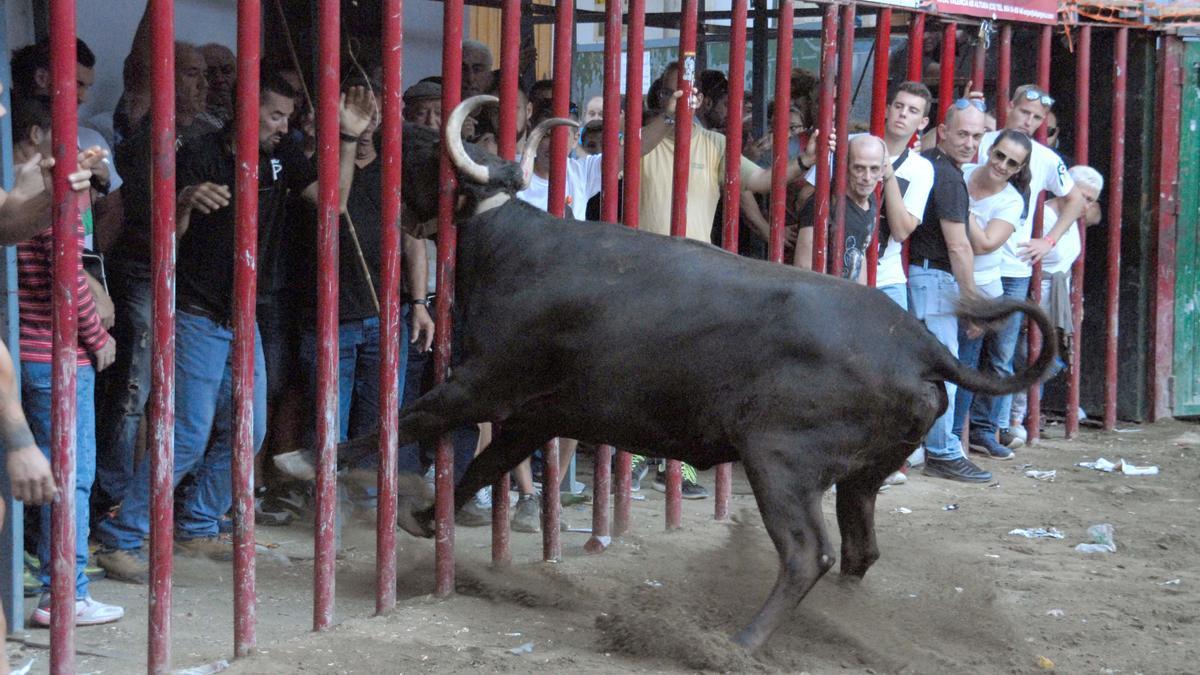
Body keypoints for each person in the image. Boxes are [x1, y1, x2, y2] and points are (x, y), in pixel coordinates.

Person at [94, 78, 375, 583]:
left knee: (253, 429)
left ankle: (198, 523)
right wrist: (183, 200)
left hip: (242, 315)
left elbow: (333, 204)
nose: (283, 126)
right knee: (187, 435)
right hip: (198, 311)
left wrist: (348, 137)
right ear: (246, 112)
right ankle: (123, 536)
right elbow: (163, 240)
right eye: (274, 116)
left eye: (287, 117)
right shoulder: (199, 154)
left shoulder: (282, 153)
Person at [633, 64, 814, 497]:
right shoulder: (643, 140)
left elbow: (761, 181)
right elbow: (626, 156)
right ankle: (634, 458)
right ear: (661, 96)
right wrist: (668, 118)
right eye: (676, 92)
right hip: (641, 276)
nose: (685, 100)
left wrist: (805, 158)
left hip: (695, 277)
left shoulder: (715, 143)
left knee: (686, 374)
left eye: (691, 94)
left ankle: (678, 468)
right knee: (639, 370)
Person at [93, 39, 221, 525]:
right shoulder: (149, 138)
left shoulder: (209, 133)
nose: (203, 83)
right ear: (163, 79)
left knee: (184, 395)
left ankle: (168, 495)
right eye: (191, 73)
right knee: (135, 389)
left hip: (191, 282)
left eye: (204, 74)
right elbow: (145, 220)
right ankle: (112, 498)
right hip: (145, 270)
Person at [9, 96, 123, 625]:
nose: (77, 151)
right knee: (71, 479)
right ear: (35, 134)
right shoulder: (46, 194)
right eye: (66, 137)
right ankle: (66, 595)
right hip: (55, 355)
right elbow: (68, 275)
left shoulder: (16, 188)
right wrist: (97, 335)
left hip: (24, 356)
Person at [970, 85, 1087, 453]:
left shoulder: (1046, 158)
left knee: (1003, 354)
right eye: (1024, 112)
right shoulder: (981, 140)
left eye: (1037, 118)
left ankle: (988, 428)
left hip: (1016, 266)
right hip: (972, 257)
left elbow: (1076, 201)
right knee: (965, 350)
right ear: (1009, 107)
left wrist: (1048, 240)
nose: (1029, 121)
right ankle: (956, 430)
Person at [907, 99, 992, 483]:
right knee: (944, 369)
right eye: (962, 133)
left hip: (922, 276)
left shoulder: (931, 164)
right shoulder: (947, 177)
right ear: (942, 131)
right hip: (934, 279)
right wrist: (973, 304)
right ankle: (942, 451)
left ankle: (925, 449)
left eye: (977, 135)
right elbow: (958, 246)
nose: (970, 142)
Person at [951, 129, 1032, 461]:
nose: (1002, 165)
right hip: (947, 276)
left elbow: (985, 243)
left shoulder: (1012, 200)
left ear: (1018, 169)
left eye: (1012, 163)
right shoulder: (963, 172)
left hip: (983, 289)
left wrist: (959, 207)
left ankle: (955, 438)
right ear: (990, 149)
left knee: (967, 367)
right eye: (999, 155)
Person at [1007, 165, 1104, 435]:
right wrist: (1027, 302)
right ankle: (1012, 421)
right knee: (1026, 358)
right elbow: (1023, 258)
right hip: (1036, 296)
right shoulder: (1043, 217)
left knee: (1048, 358)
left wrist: (1077, 300)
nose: (1086, 205)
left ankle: (1026, 417)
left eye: (1091, 200)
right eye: (1082, 196)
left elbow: (1069, 263)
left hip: (1058, 298)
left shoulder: (1071, 221)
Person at [793, 134, 885, 282]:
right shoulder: (821, 205)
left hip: (849, 298)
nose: (867, 177)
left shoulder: (872, 202)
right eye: (859, 168)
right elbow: (805, 269)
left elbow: (859, 257)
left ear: (883, 170)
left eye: (874, 169)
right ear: (846, 167)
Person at [198, 43, 236, 126]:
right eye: (210, 72)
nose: (219, 79)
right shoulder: (191, 118)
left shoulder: (252, 110)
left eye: (227, 71)